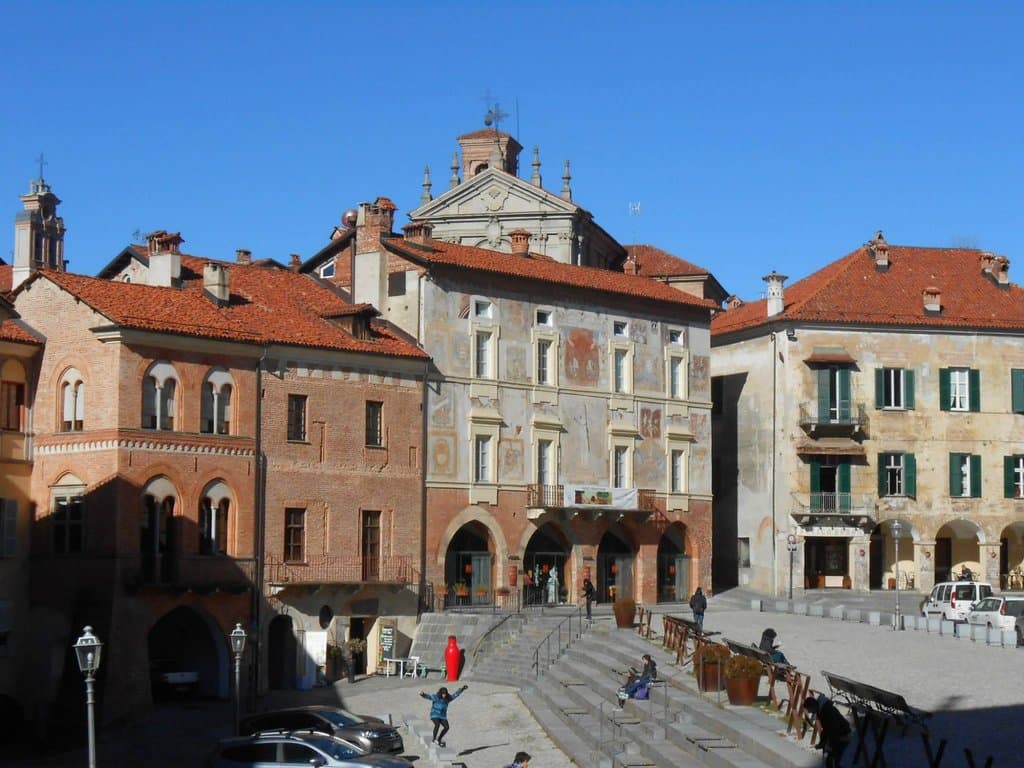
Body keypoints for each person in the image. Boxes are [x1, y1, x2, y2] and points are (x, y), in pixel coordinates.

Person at [804, 694, 851, 768]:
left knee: (833, 760)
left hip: (843, 734)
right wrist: (822, 743)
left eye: (810, 710)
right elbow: (826, 729)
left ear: (813, 706)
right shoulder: (821, 710)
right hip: (837, 734)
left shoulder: (827, 711)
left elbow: (834, 728)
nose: (811, 713)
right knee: (831, 760)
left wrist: (830, 745)